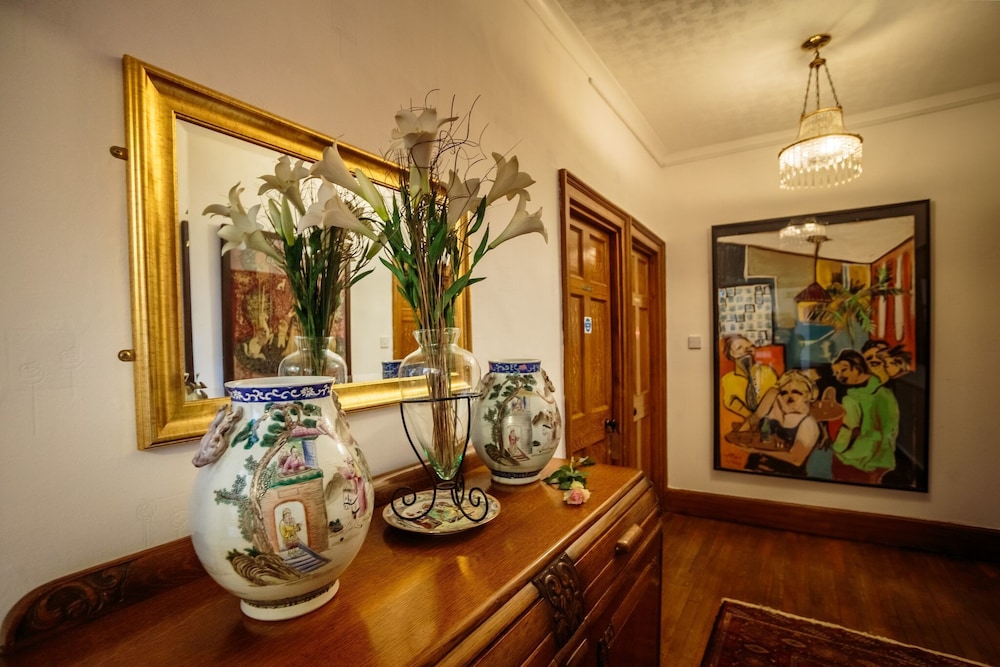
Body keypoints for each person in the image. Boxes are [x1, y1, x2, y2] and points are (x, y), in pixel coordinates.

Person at [830, 349, 900, 484]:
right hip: (855, 459)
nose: (840, 376)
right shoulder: (853, 395)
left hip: (864, 462)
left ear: (857, 368)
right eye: (837, 373)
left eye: (843, 370)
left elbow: (890, 429)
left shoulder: (879, 395)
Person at [738, 370, 824, 477]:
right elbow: (754, 418)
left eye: (795, 392)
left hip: (785, 480)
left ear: (807, 395)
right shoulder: (773, 403)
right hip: (752, 471)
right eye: (784, 392)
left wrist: (757, 449)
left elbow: (796, 459)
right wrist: (742, 435)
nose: (789, 396)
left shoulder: (808, 424)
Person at [720, 334, 778, 419]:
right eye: (739, 347)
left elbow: (774, 394)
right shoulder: (728, 379)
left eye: (750, 347)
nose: (747, 350)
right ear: (732, 353)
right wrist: (750, 417)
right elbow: (730, 402)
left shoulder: (767, 372)